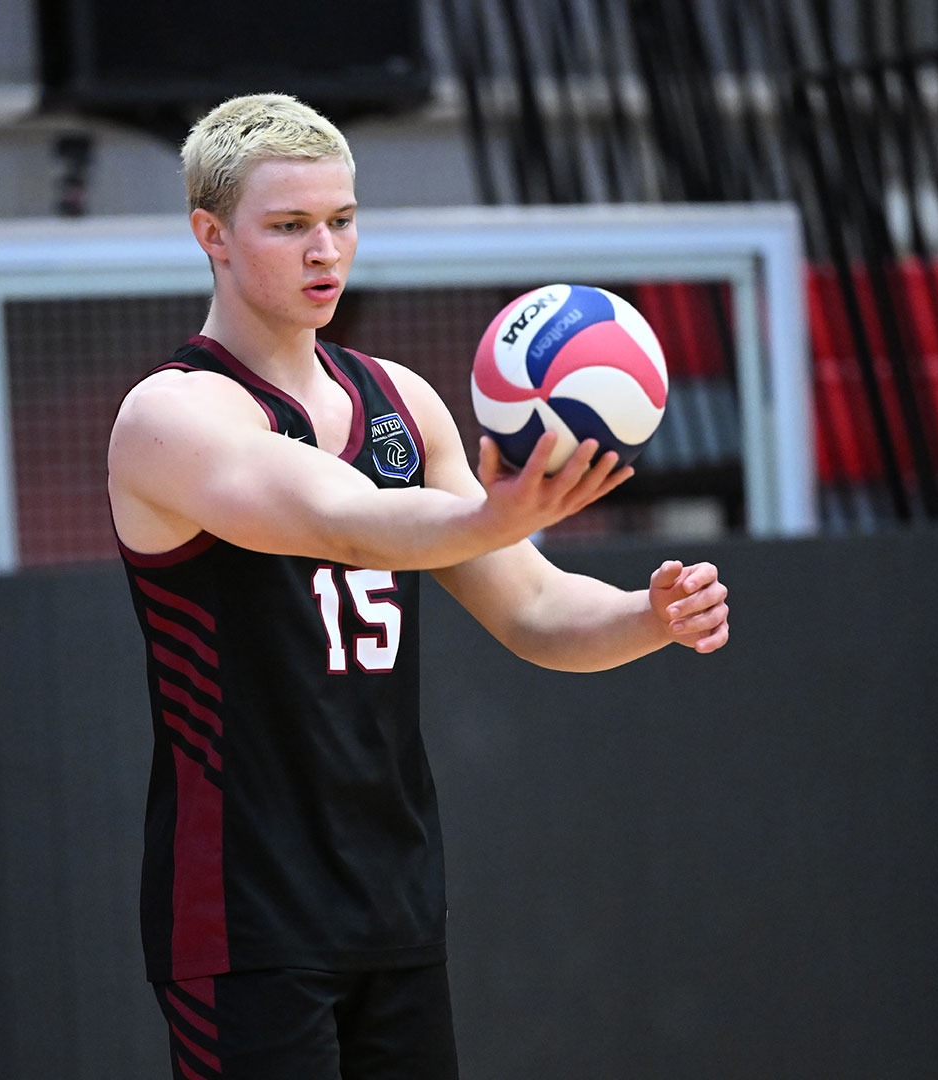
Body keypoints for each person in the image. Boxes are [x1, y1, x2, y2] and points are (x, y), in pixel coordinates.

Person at [107, 93, 731, 1080]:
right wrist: (489, 514)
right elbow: (335, 517)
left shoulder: (402, 401)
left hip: (392, 900)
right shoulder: (172, 415)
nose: (326, 251)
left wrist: (648, 617)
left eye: (343, 221)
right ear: (211, 236)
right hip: (245, 916)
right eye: (290, 227)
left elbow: (533, 610)